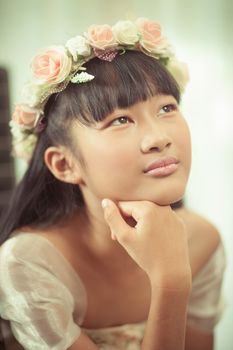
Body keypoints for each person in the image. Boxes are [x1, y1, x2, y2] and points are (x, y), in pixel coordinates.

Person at [0, 18, 226, 350]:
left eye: (166, 107)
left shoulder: (203, 242)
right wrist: (171, 280)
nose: (159, 139)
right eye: (120, 120)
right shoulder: (29, 264)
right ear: (65, 164)